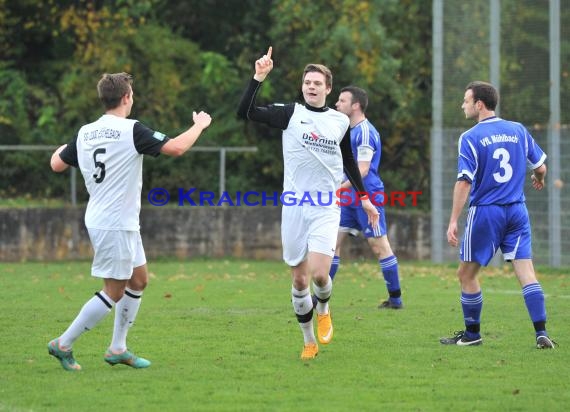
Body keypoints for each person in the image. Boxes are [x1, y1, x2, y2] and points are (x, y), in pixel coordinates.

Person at [48, 72, 212, 371]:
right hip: (114, 223)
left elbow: (57, 163)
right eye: (132, 94)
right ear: (126, 98)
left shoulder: (86, 131)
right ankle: (63, 343)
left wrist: (71, 143)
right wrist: (199, 125)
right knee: (114, 291)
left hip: (112, 219)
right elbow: (176, 148)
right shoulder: (131, 129)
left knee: (139, 280)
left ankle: (118, 348)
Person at [237, 47, 379, 360]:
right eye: (307, 82)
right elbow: (245, 112)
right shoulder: (291, 113)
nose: (311, 86)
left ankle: (324, 307)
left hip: (326, 205)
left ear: (328, 89)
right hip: (294, 206)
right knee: (299, 279)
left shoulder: (339, 121)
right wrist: (258, 77)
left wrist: (365, 198)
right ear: (303, 86)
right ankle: (308, 340)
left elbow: (349, 161)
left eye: (317, 83)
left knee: (318, 274)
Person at [441, 81, 555, 349]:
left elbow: (464, 182)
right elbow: (541, 167)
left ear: (479, 104)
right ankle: (541, 332)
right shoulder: (518, 130)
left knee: (466, 275)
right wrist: (539, 179)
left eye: (466, 101)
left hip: (487, 213)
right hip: (517, 210)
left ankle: (472, 334)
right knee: (526, 272)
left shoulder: (470, 137)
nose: (463, 105)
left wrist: (453, 219)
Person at [330, 86, 403, 309]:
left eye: (342, 101)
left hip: (367, 195)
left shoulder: (365, 132)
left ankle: (396, 299)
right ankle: (320, 297)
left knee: (379, 246)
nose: (336, 104)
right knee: (332, 244)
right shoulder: (348, 131)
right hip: (348, 196)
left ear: (356, 106)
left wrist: (340, 187)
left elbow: (362, 169)